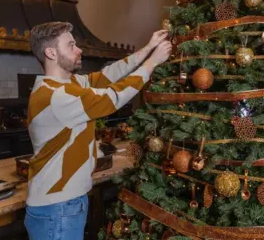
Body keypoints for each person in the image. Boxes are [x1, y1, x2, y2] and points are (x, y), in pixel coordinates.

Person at [24, 21, 172, 240]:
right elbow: (113, 97)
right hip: (57, 207)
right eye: (71, 45)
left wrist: (148, 47)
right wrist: (152, 63)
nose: (79, 49)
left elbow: (108, 75)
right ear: (51, 52)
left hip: (63, 203)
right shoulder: (56, 96)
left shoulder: (68, 84)